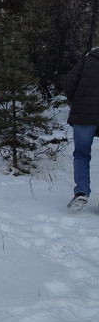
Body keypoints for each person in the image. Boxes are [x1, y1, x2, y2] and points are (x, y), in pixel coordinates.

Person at [62, 47, 99, 209]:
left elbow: (69, 84)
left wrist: (77, 102)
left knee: (82, 154)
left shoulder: (86, 60)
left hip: (84, 115)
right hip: (85, 113)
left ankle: (81, 193)